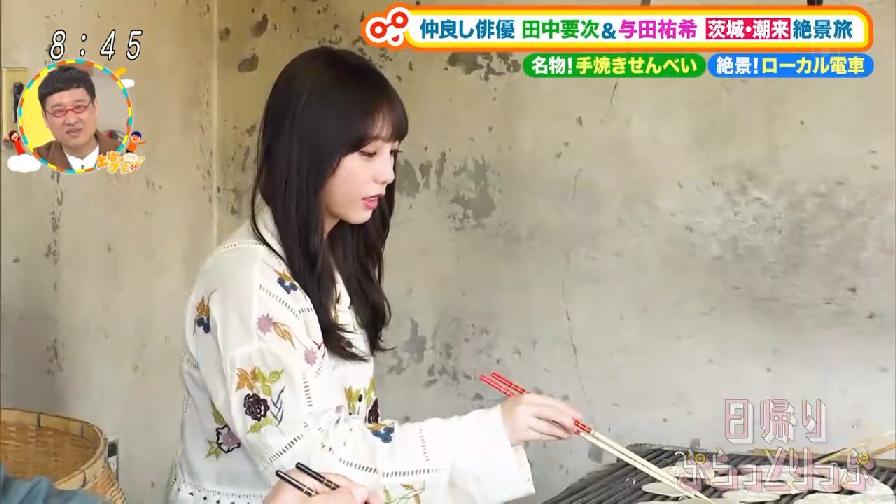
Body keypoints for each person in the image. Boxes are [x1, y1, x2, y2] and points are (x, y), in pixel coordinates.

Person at [167, 46, 581, 503]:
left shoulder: (323, 260)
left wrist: (496, 430)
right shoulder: (247, 283)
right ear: (307, 151)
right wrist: (490, 431)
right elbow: (312, 462)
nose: (386, 174)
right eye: (368, 153)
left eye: (392, 153)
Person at [33, 65, 118, 171]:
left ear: (95, 107)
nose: (71, 120)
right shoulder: (34, 161)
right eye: (59, 111)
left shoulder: (125, 153)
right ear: (45, 118)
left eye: (79, 107)